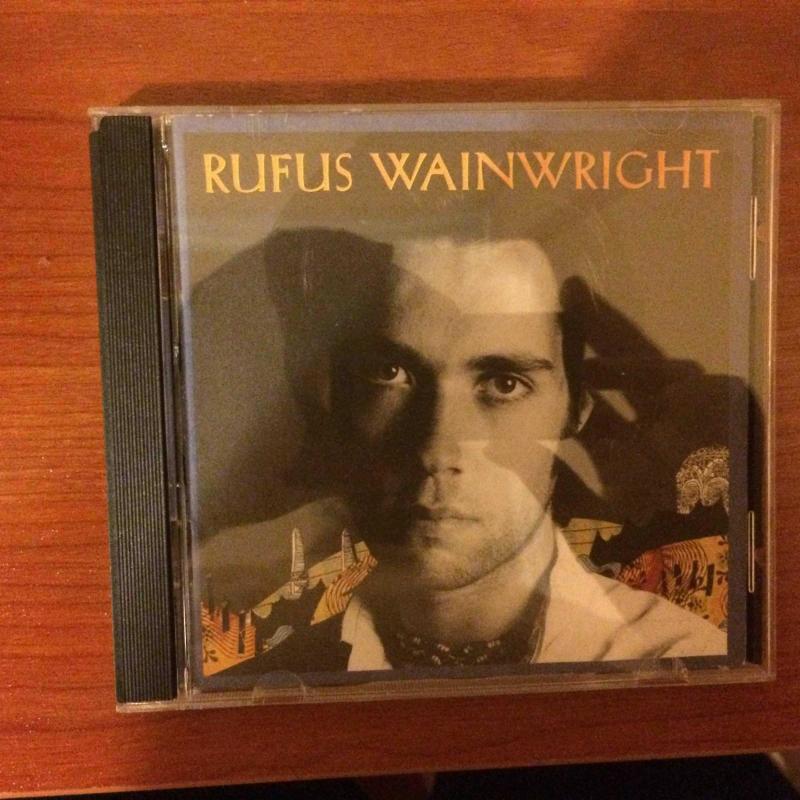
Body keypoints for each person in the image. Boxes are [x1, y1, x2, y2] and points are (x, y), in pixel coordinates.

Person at [221, 226, 726, 678]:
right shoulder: (240, 628)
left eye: (504, 383)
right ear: (336, 396)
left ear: (576, 410)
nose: (436, 450)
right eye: (389, 373)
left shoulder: (681, 664)